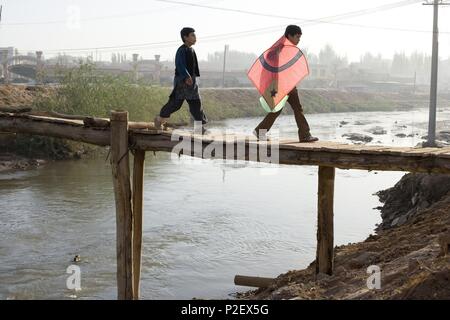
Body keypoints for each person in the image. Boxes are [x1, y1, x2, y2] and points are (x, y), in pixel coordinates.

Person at [254, 25, 318, 143]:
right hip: (281, 85)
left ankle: (260, 131)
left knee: (281, 110)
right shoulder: (279, 48)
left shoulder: (285, 48)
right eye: (297, 37)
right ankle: (304, 135)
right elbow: (270, 60)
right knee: (295, 108)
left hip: (286, 85)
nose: (299, 40)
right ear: (289, 35)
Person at [154, 27, 208, 133]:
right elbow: (180, 65)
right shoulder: (181, 50)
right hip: (182, 81)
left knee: (196, 104)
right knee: (175, 104)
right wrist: (186, 76)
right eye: (192, 35)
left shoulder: (191, 50)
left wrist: (192, 78)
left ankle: (199, 128)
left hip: (191, 82)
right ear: (185, 37)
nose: (195, 37)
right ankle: (159, 119)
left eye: (194, 35)